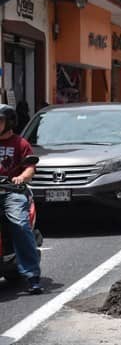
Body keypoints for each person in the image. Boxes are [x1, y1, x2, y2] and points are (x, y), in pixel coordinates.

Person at [0, 105, 41, 294]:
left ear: (8, 122)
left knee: (19, 223)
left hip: (11, 191)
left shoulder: (21, 144)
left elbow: (30, 168)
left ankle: (32, 274)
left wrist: (21, 178)